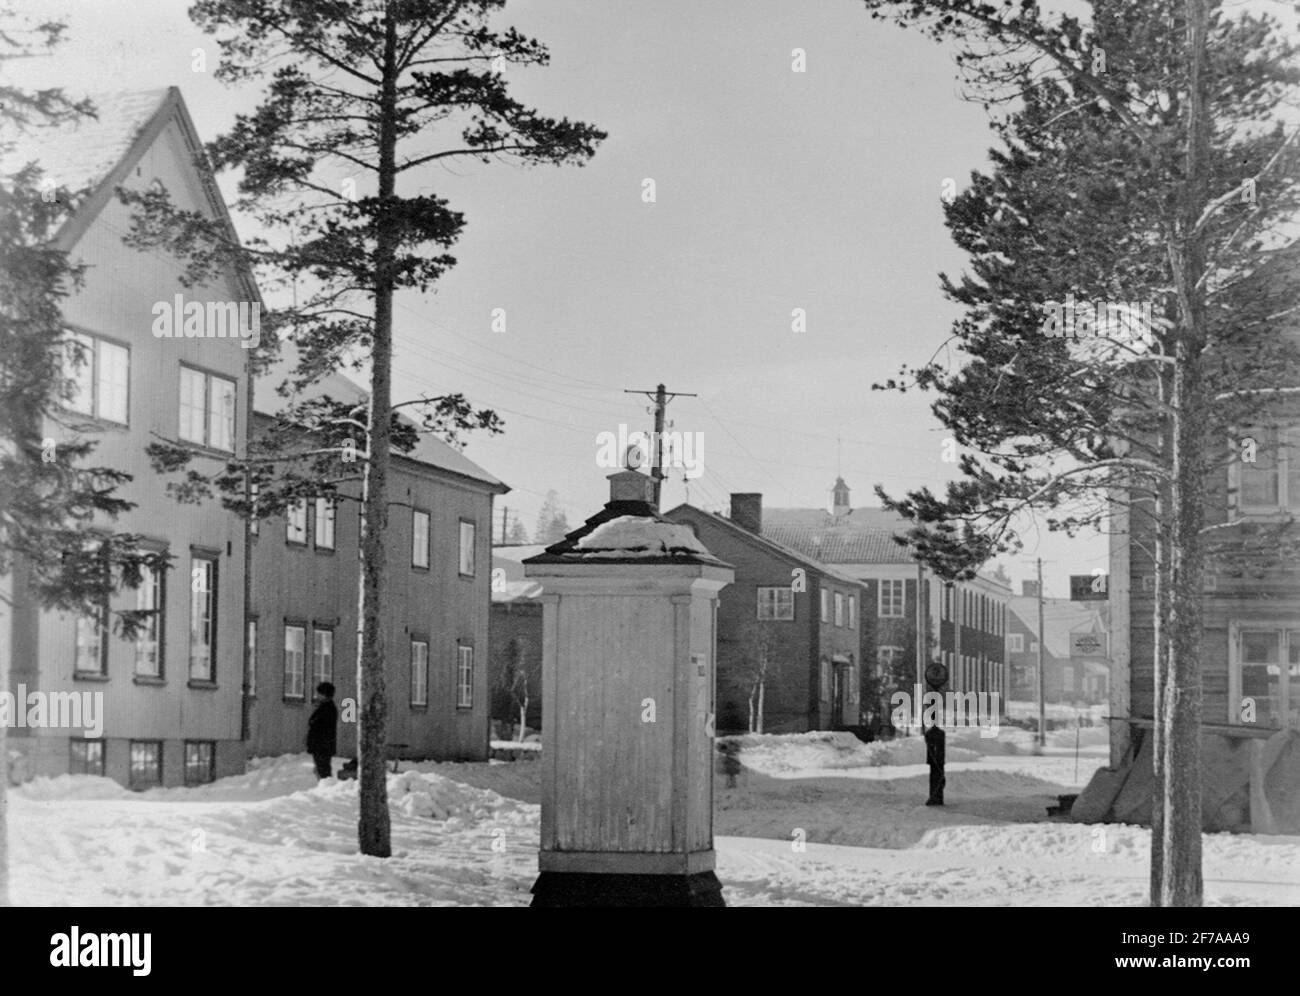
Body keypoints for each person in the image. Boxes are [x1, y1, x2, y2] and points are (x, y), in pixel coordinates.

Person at [307, 682, 338, 780]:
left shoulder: (327, 709)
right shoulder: (325, 707)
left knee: (323, 772)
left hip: (322, 746)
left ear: (324, 695)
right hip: (322, 746)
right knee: (321, 770)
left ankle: (326, 789)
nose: (317, 695)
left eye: (319, 693)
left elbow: (317, 726)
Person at [924, 720, 946, 806]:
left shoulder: (929, 733)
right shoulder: (941, 733)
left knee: (934, 779)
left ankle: (935, 797)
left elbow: (935, 748)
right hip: (939, 761)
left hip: (934, 761)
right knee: (938, 778)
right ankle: (937, 798)